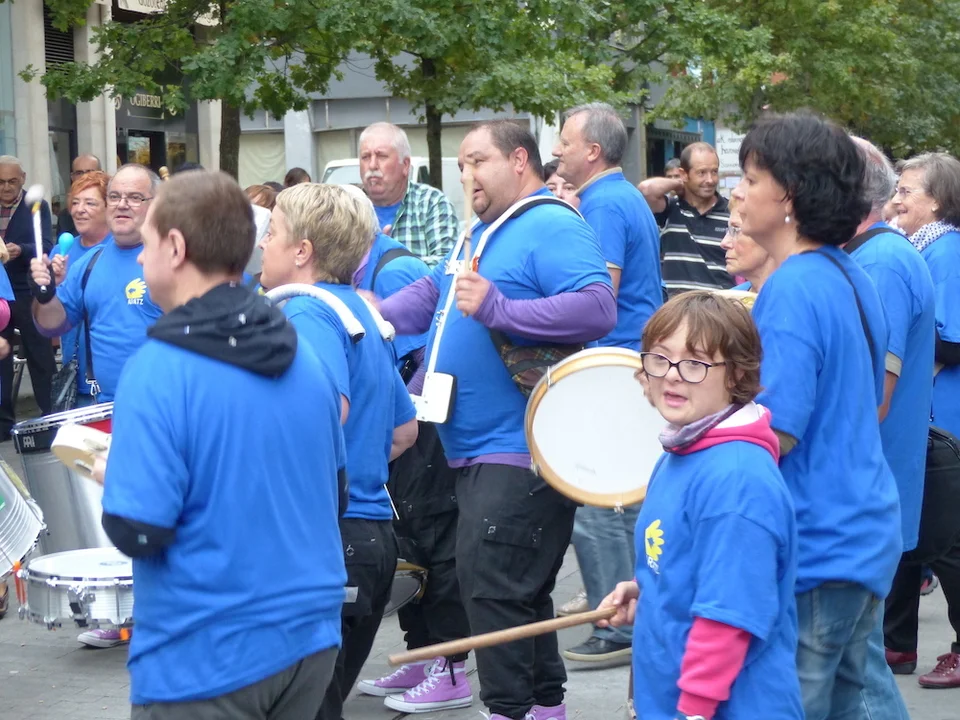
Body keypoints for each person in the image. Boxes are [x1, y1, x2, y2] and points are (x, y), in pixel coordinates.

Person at [376, 120, 617, 720]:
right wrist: (366, 314)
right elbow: (432, 295)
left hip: (518, 449)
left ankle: (509, 709)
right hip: (478, 451)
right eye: (461, 165)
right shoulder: (480, 232)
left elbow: (597, 306)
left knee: (493, 591)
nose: (467, 176)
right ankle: (543, 708)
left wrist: (500, 307)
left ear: (519, 160)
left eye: (477, 161)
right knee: (518, 593)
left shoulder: (550, 223)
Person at [96, 170, 345, 720]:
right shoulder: (304, 357)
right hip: (310, 639)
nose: (140, 257)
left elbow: (139, 529)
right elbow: (335, 493)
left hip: (206, 651)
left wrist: (116, 475)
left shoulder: (158, 370)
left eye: (148, 241)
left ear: (175, 247)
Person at [732, 111, 901, 718]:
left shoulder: (795, 286)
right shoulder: (846, 271)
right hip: (861, 527)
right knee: (859, 702)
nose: (737, 192)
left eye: (751, 178)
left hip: (820, 540)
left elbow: (775, 431)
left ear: (790, 194)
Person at [257, 182, 419, 720]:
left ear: (302, 250)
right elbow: (404, 431)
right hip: (368, 538)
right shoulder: (360, 313)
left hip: (330, 539)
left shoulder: (308, 313)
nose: (263, 244)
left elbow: (328, 408)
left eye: (273, 232)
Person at [599, 290, 802, 720]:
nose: (672, 376)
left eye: (695, 363)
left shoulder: (737, 481)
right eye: (660, 358)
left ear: (736, 373)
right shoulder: (683, 449)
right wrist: (649, 590)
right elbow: (692, 564)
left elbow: (729, 614)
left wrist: (693, 710)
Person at [341, 184, 474, 712]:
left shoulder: (391, 268)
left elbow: (424, 354)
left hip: (424, 424)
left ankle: (450, 667)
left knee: (436, 542)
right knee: (412, 542)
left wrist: (400, 409)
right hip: (407, 421)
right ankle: (422, 653)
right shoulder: (358, 274)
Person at [552, 102, 662, 665]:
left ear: (593, 151)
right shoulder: (621, 197)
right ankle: (632, 613)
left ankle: (615, 627)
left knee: (594, 500)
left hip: (611, 369)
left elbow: (599, 294)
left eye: (565, 141)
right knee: (624, 503)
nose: (556, 150)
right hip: (627, 364)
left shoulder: (604, 204)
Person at [845, 138, 936, 718]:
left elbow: (874, 396)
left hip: (865, 494)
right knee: (856, 666)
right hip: (870, 492)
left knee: (857, 668)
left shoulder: (879, 262)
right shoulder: (876, 255)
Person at [885, 151, 960, 689]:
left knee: (946, 541)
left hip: (945, 417)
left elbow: (953, 342)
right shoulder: (920, 248)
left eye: (907, 190)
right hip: (924, 412)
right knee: (908, 530)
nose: (896, 200)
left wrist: (895, 327)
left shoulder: (947, 251)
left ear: (936, 200)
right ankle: (897, 642)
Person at [30, 164, 164, 413]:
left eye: (135, 197)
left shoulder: (177, 261)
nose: (122, 204)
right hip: (100, 407)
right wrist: (45, 295)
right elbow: (51, 326)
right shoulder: (90, 263)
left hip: (163, 408)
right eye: (114, 196)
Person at [0, 154, 56, 431]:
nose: (6, 187)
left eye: (12, 181)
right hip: (1, 294)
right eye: (0, 182)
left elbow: (46, 244)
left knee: (39, 354)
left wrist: (21, 250)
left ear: (22, 179)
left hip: (25, 290)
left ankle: (52, 413)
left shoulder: (36, 205)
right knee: (1, 356)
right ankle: (3, 423)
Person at [49, 170, 112, 408]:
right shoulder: (61, 252)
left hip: (115, 379)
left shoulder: (121, 249)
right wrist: (48, 289)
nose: (79, 209)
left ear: (109, 207)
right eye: (75, 202)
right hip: (76, 376)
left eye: (90, 203)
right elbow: (50, 320)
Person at [359, 122, 459, 267]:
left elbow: (447, 266)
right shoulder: (347, 208)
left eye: (381, 156)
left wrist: (386, 264)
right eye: (366, 157)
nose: (372, 165)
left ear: (405, 165)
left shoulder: (432, 203)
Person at [639, 143, 733, 296]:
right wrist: (678, 183)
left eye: (714, 172)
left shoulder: (731, 213)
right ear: (684, 174)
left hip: (719, 307)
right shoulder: (670, 209)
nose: (710, 180)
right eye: (701, 173)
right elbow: (646, 190)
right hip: (678, 308)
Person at [719, 197, 776, 294]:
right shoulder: (730, 298)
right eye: (729, 230)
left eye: (736, 229)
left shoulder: (797, 299)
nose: (724, 243)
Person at [57, 154, 102, 236]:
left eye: (90, 172)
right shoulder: (64, 217)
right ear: (72, 177)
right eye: (79, 173)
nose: (84, 176)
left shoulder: (112, 208)